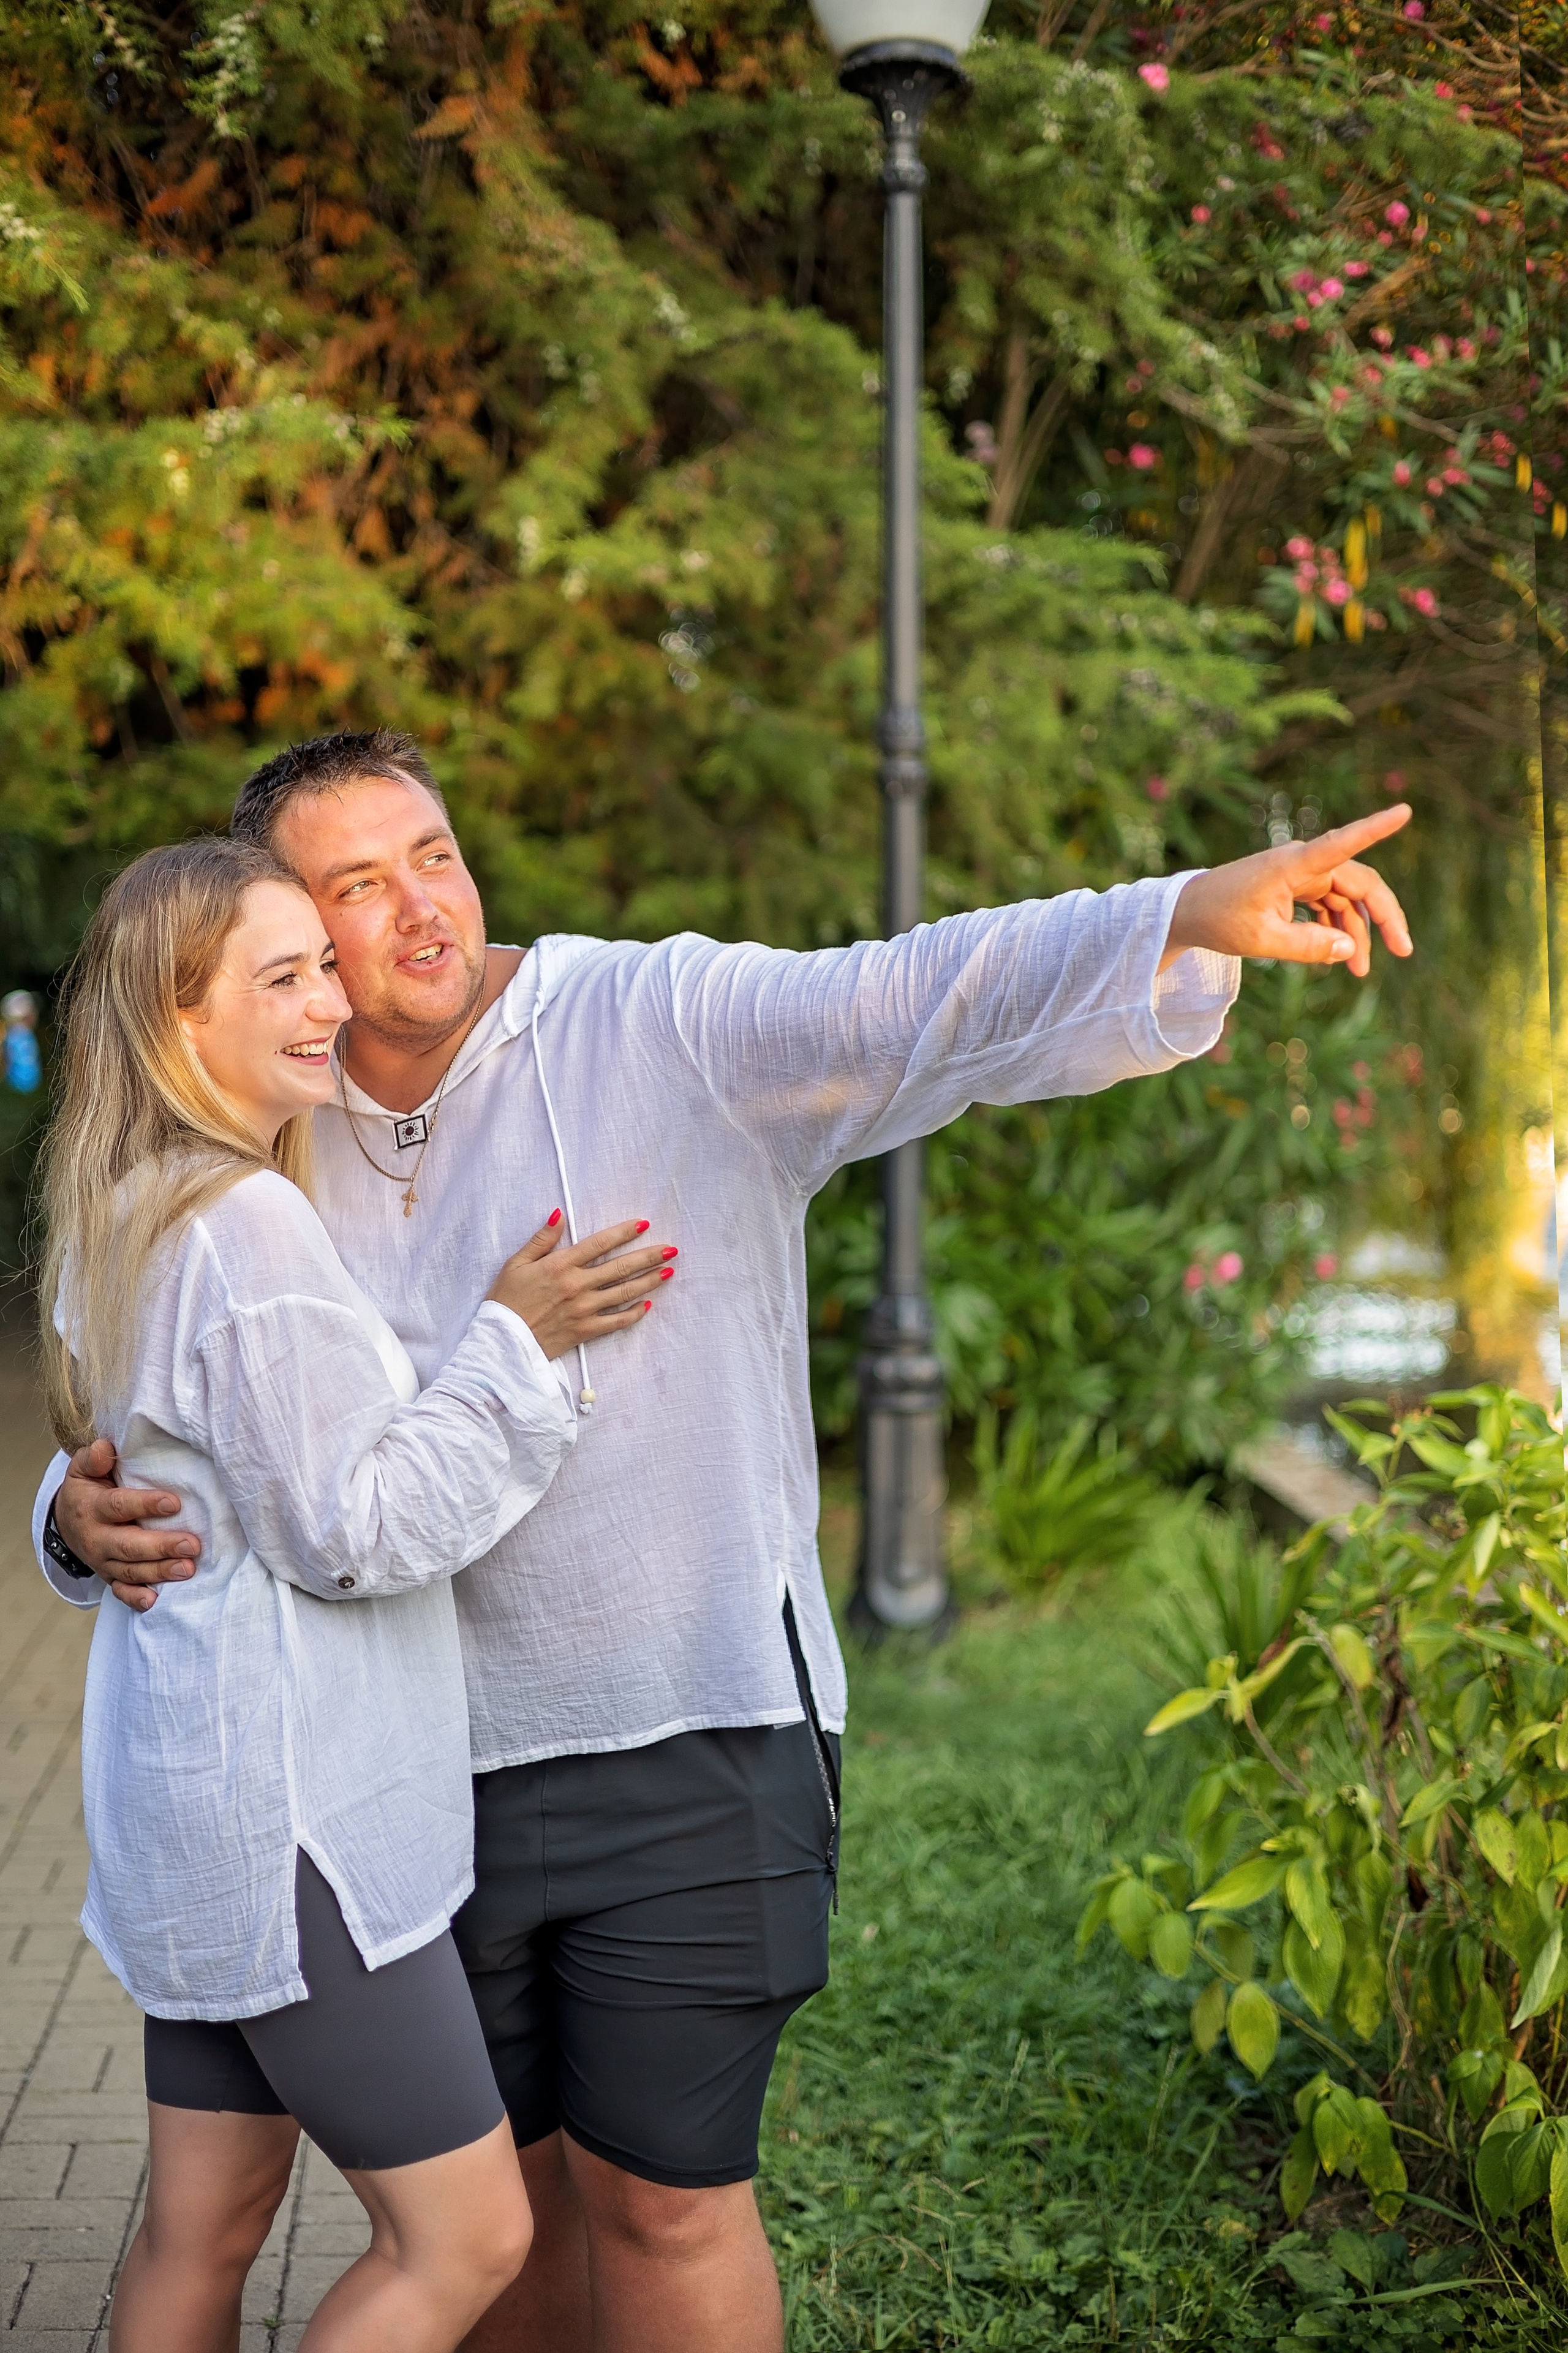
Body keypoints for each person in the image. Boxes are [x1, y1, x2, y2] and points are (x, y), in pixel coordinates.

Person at [39, 733, 1415, 2353]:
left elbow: (914, 992)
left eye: (436, 851)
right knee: (506, 2227)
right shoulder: (276, 1116)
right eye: (356, 885)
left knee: (669, 2201)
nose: (423, 905)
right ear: (281, 929)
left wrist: (1182, 911)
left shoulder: (656, 1020)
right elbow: (191, 1403)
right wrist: (70, 1519)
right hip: (403, 1774)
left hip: (689, 1731)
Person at [37, 837, 671, 2353]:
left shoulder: (122, 1202)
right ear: (178, 1020)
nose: (327, 1001)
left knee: (201, 2232)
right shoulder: (246, 1228)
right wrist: (512, 1346)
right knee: (466, 2238)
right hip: (296, 1827)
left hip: (196, 1811)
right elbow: (354, 1529)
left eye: (322, 963)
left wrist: (66, 1523)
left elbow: (142, 1469)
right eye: (281, 976)